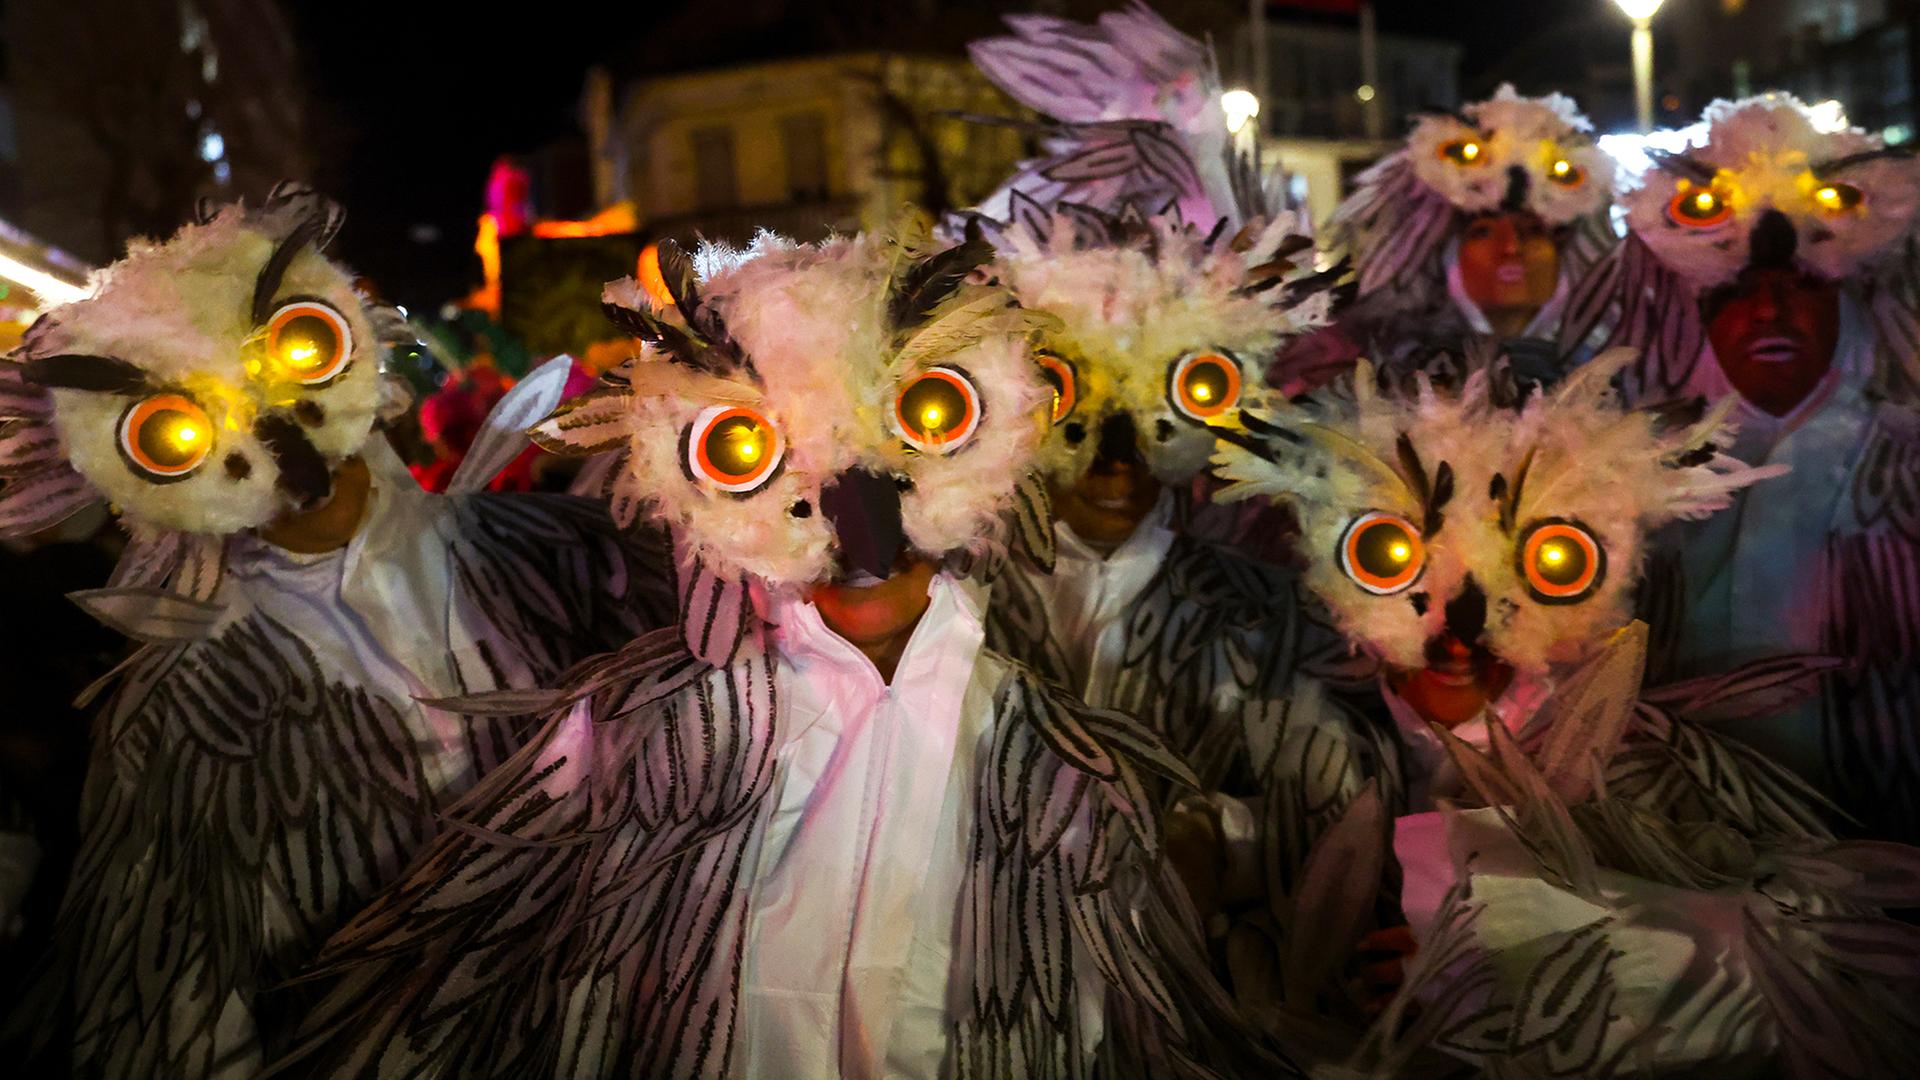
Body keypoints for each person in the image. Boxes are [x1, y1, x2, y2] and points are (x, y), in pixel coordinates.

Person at [272, 221, 1273, 1079]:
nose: (853, 534)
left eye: (916, 436)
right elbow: (471, 968)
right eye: (768, 460)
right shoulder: (635, 738)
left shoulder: (1055, 770)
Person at [0, 186, 675, 1074]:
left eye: (296, 353)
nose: (274, 433)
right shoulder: (194, 705)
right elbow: (184, 998)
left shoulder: (562, 562)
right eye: (180, 425)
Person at [1210, 347, 1920, 1075]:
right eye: (1390, 555)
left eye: (1543, 563)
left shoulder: (1649, 768)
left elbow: (1834, 949)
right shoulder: (1308, 736)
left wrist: (1539, 958)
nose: (1460, 628)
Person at [1561, 93, 1920, 843]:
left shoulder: (1902, 473)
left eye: (1800, 289)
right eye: (1738, 294)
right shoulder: (1628, 477)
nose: (1769, 314)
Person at [1310, 85, 1619, 389]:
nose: (1511, 248)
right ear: (1444, 251)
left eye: (1533, 232)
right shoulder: (1369, 363)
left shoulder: (1628, 360)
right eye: (1483, 233)